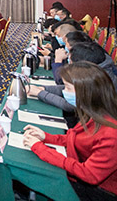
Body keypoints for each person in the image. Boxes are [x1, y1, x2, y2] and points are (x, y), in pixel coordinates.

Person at [23, 62, 117, 200]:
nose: (64, 91)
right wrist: (46, 137)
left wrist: (40, 148)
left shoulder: (111, 133)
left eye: (68, 88)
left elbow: (89, 175)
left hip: (100, 192)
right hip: (81, 173)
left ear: (86, 92)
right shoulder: (93, 113)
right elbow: (76, 139)